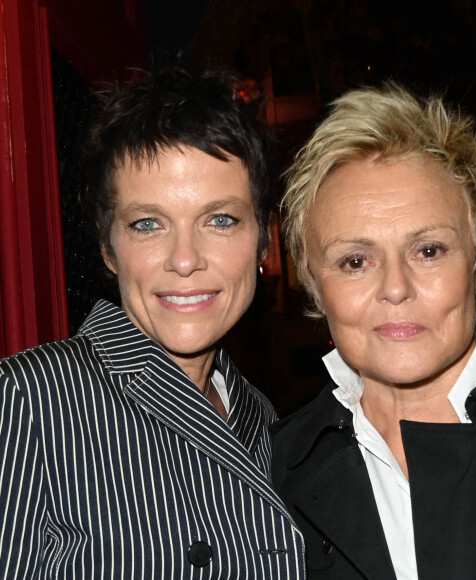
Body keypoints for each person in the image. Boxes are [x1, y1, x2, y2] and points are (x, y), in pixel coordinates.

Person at [0, 67, 305, 579]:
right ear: (107, 247)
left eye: (220, 220)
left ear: (263, 241)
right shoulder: (28, 401)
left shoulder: (264, 417)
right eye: (148, 224)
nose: (184, 259)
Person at [271, 81, 476, 579]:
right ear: (314, 287)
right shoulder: (270, 475)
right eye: (355, 260)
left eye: (428, 251)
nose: (396, 287)